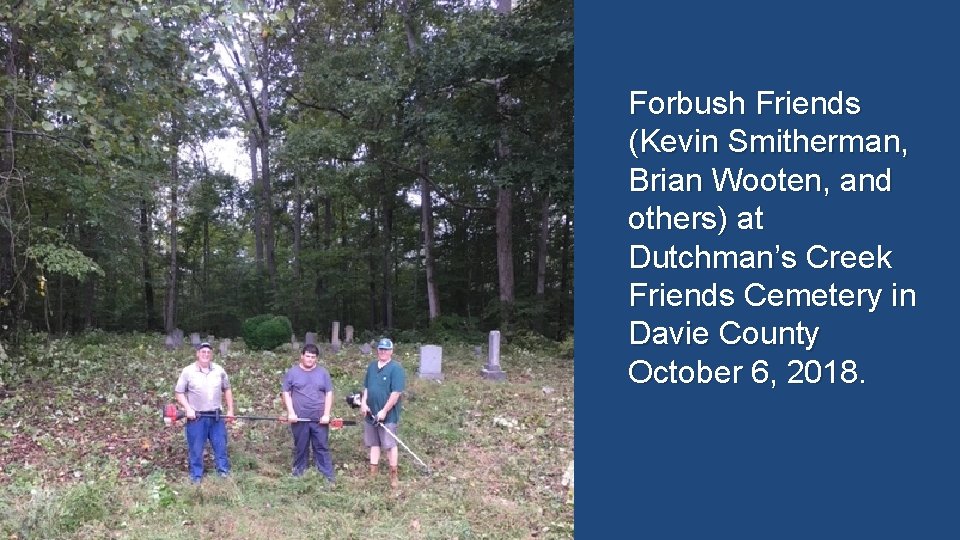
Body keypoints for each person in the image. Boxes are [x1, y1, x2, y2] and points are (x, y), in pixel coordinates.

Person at [174, 342, 234, 484]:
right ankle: (196, 476)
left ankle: (223, 473)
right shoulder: (188, 371)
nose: (205, 355)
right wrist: (188, 409)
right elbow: (179, 392)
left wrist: (231, 409)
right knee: (196, 447)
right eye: (203, 352)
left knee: (220, 445)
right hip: (197, 417)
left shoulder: (219, 370)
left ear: (211, 355)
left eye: (208, 352)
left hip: (216, 416)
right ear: (197, 354)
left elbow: (227, 389)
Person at [282, 343, 336, 482]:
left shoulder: (323, 373)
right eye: (307, 356)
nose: (310, 359)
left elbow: (329, 393)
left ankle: (327, 477)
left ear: (316, 359)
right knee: (301, 446)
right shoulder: (292, 373)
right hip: (299, 418)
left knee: (321, 447)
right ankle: (298, 474)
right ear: (302, 356)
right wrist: (291, 413)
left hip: (319, 419)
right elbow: (286, 393)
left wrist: (326, 414)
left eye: (313, 357)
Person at [360, 337, 406, 489]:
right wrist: (364, 403)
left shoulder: (396, 369)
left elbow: (396, 393)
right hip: (370, 413)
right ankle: (373, 473)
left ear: (391, 351)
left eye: (386, 349)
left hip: (387, 415)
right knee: (374, 443)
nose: (383, 352)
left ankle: (393, 475)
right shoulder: (372, 366)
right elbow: (366, 387)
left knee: (389, 444)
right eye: (381, 349)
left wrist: (384, 411)